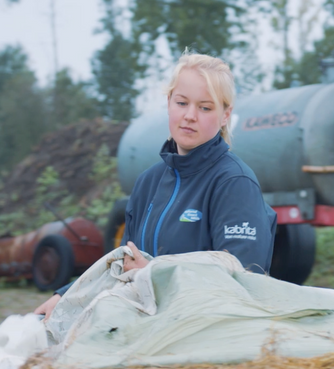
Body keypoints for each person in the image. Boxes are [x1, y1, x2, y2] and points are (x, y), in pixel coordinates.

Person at [35, 52, 276, 319]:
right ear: (169, 103)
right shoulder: (148, 182)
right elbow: (121, 265)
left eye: (205, 107)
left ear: (225, 115)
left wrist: (152, 275)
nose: (190, 116)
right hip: (146, 330)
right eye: (182, 102)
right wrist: (66, 295)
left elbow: (241, 279)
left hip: (201, 333)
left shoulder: (234, 183)